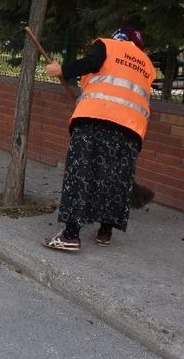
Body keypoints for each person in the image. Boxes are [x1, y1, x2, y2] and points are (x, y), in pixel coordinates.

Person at [43, 27, 155, 252]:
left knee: (81, 173)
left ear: (118, 38)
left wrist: (62, 69)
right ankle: (105, 232)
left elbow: (91, 63)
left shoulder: (107, 45)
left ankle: (70, 235)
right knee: (116, 179)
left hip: (95, 122)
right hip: (130, 129)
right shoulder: (147, 65)